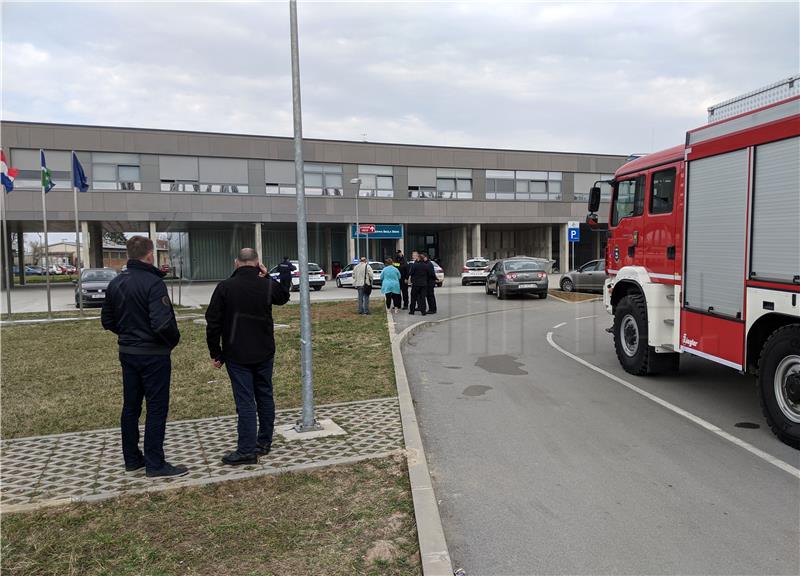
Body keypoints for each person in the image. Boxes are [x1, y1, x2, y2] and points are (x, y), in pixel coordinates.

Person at [101, 235, 186, 478]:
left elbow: (107, 320)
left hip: (128, 352)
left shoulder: (117, 282)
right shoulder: (153, 283)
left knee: (131, 406)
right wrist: (171, 341)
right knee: (156, 408)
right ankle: (155, 463)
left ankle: (132, 459)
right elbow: (162, 323)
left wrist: (128, 334)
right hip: (153, 354)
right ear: (150, 255)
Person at [205, 248, 290, 466]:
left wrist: (216, 352)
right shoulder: (265, 285)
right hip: (264, 350)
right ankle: (264, 442)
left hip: (236, 353)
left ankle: (246, 450)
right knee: (265, 396)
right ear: (257, 263)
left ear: (236, 263)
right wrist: (268, 276)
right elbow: (283, 296)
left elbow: (213, 322)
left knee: (245, 401)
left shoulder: (225, 287)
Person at [408, 251, 429, 316]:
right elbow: (428, 274)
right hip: (423, 284)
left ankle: (412, 311)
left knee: (413, 297)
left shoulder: (415, 265)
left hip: (416, 284)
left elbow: (410, 273)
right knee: (423, 298)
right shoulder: (426, 266)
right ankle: (423, 311)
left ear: (419, 259)